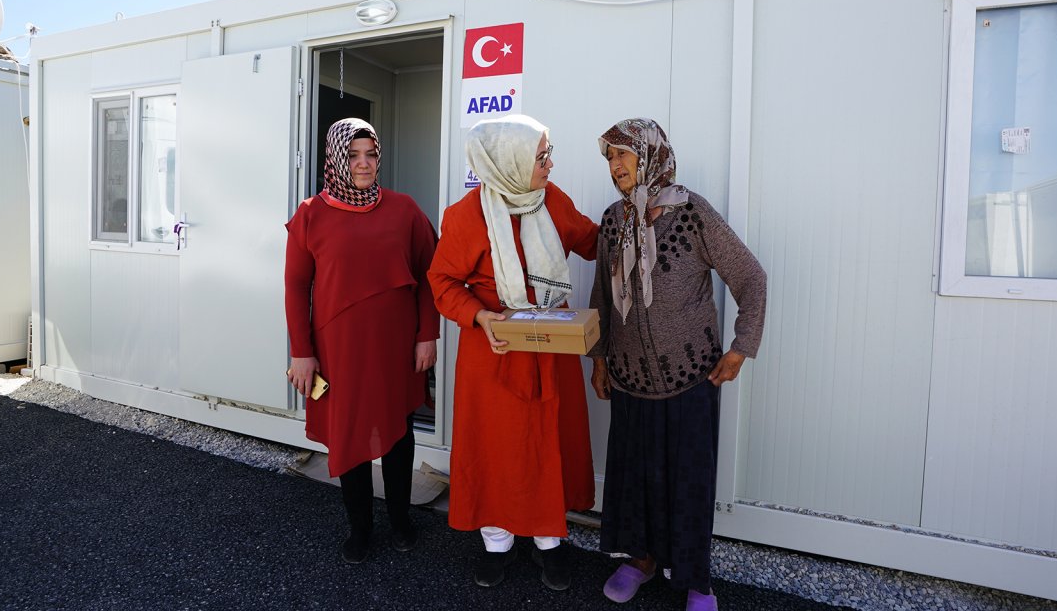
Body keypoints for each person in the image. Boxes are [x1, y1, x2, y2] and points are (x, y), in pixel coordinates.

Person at [588, 118, 767, 611]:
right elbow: (602, 295)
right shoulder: (613, 221)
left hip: (692, 378)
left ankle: (695, 581)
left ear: (650, 155)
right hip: (630, 381)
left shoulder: (692, 213)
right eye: (609, 158)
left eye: (623, 155)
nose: (615, 166)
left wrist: (741, 346)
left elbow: (751, 278)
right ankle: (642, 559)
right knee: (637, 478)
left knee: (688, 481)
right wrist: (600, 359)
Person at [427, 114, 599, 591]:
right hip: (495, 349)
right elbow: (442, 281)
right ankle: (496, 542)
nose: (549, 165)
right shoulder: (465, 216)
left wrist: (638, 226)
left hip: (549, 348)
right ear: (511, 162)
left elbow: (591, 241)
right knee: (495, 445)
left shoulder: (554, 201)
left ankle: (549, 541)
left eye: (547, 154)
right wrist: (479, 317)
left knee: (548, 441)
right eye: (541, 157)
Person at [284, 118, 440, 564]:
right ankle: (359, 528)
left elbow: (431, 278)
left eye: (371, 154)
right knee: (347, 431)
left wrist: (427, 335)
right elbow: (296, 287)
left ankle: (400, 521)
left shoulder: (404, 209)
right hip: (337, 350)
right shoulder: (311, 213)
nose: (364, 164)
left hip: (396, 348)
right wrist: (301, 352)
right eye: (353, 155)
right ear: (336, 158)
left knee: (397, 432)